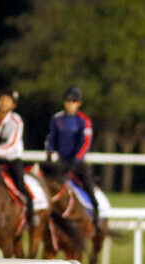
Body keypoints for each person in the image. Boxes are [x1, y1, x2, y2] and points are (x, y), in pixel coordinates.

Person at [45, 85, 99, 230]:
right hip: (62, 161)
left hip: (77, 162)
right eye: (68, 101)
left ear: (79, 104)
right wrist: (49, 151)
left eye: (73, 101)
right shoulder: (57, 119)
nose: (70, 104)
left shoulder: (83, 120)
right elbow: (51, 138)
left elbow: (85, 142)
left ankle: (96, 215)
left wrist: (77, 159)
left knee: (88, 186)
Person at [0, 89, 34, 225]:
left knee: (20, 185)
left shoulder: (16, 121)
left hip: (11, 158)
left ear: (13, 106)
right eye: (1, 99)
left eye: (7, 101)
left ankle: (31, 215)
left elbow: (12, 144)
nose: (3, 103)